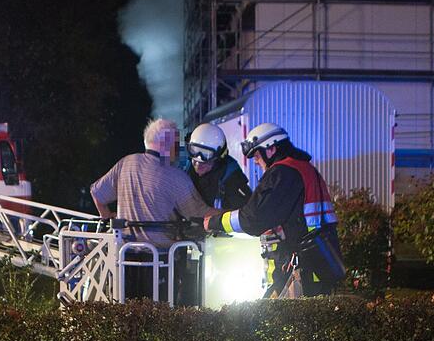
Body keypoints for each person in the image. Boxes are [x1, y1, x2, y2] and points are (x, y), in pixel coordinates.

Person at [204, 122, 343, 297]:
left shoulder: (282, 173)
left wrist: (214, 222)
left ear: (271, 149)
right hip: (320, 264)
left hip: (299, 271)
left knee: (266, 313)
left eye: (257, 155)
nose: (256, 161)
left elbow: (253, 218)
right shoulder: (305, 168)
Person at [91, 118, 219, 302]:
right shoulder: (176, 177)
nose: (178, 150)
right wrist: (236, 214)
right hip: (161, 263)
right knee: (161, 313)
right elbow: (200, 213)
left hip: (124, 260)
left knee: (126, 311)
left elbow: (96, 193)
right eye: (176, 144)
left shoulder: (126, 163)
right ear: (166, 143)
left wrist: (107, 216)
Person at [181, 123, 252, 211]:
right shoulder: (184, 171)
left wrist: (215, 218)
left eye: (206, 154)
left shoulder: (233, 181)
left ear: (218, 159)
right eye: (194, 151)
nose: (198, 164)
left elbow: (246, 214)